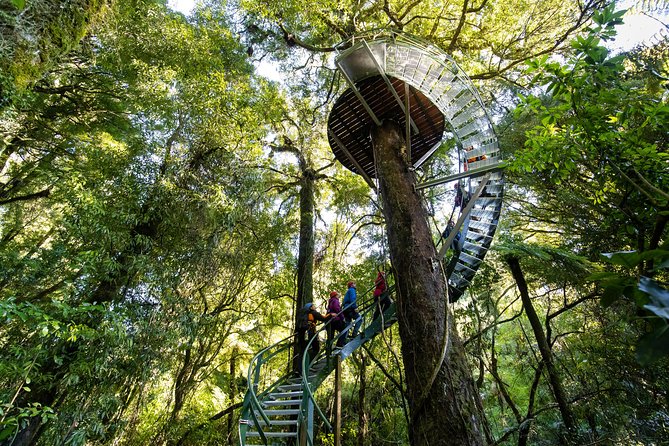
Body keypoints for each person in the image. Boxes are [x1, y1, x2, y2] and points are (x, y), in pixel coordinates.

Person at [295, 303, 330, 373]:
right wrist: (331, 314)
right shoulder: (313, 313)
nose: (315, 306)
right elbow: (323, 318)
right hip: (310, 333)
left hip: (301, 334)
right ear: (310, 307)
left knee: (302, 351)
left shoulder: (302, 314)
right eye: (313, 305)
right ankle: (307, 366)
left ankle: (299, 369)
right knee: (316, 348)